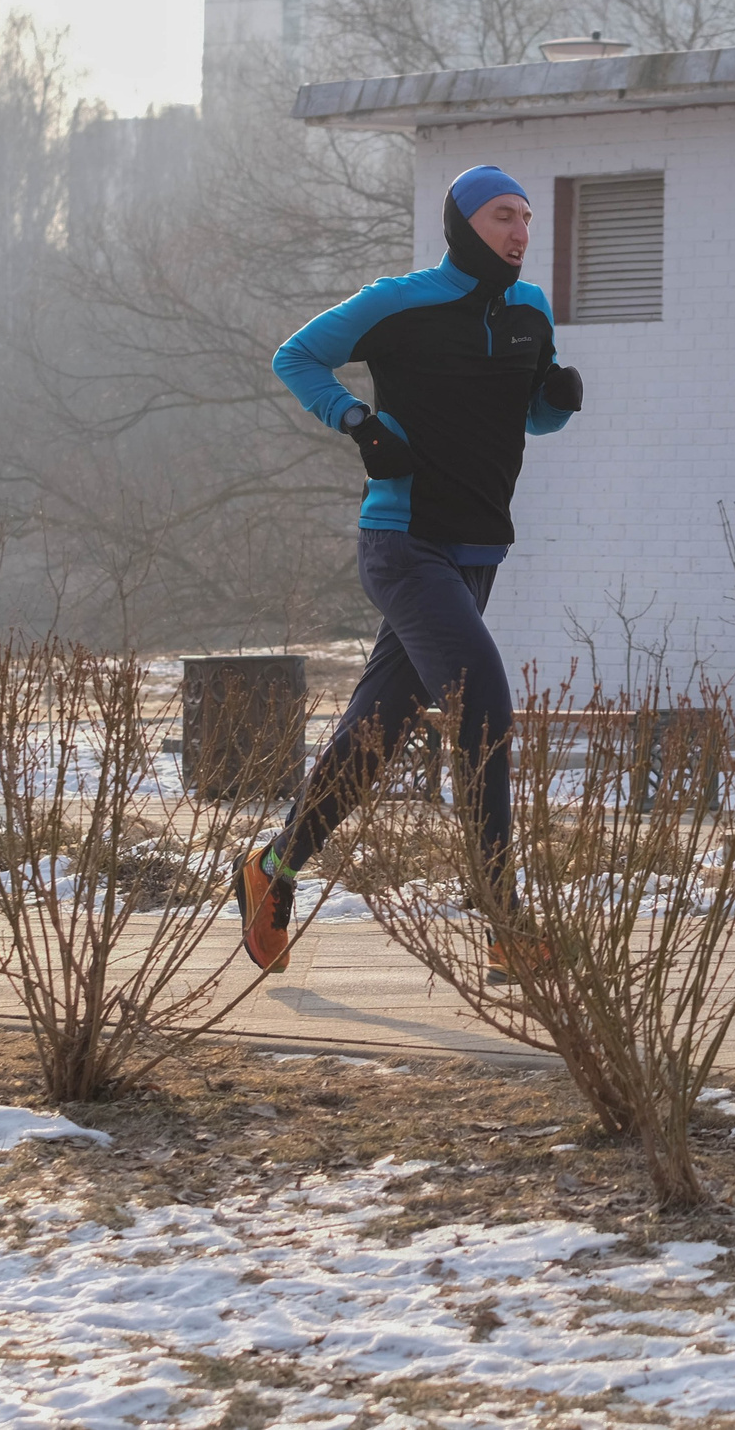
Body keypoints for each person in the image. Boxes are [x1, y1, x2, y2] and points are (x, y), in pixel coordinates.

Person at [236, 165, 583, 976]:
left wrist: (556, 398)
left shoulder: (530, 312)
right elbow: (299, 357)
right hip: (404, 543)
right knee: (484, 703)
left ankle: (273, 869)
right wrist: (357, 420)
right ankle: (503, 921)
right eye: (504, 216)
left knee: (375, 734)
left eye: (528, 219)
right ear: (464, 223)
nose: (520, 233)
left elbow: (531, 412)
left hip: (476, 553)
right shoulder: (401, 301)